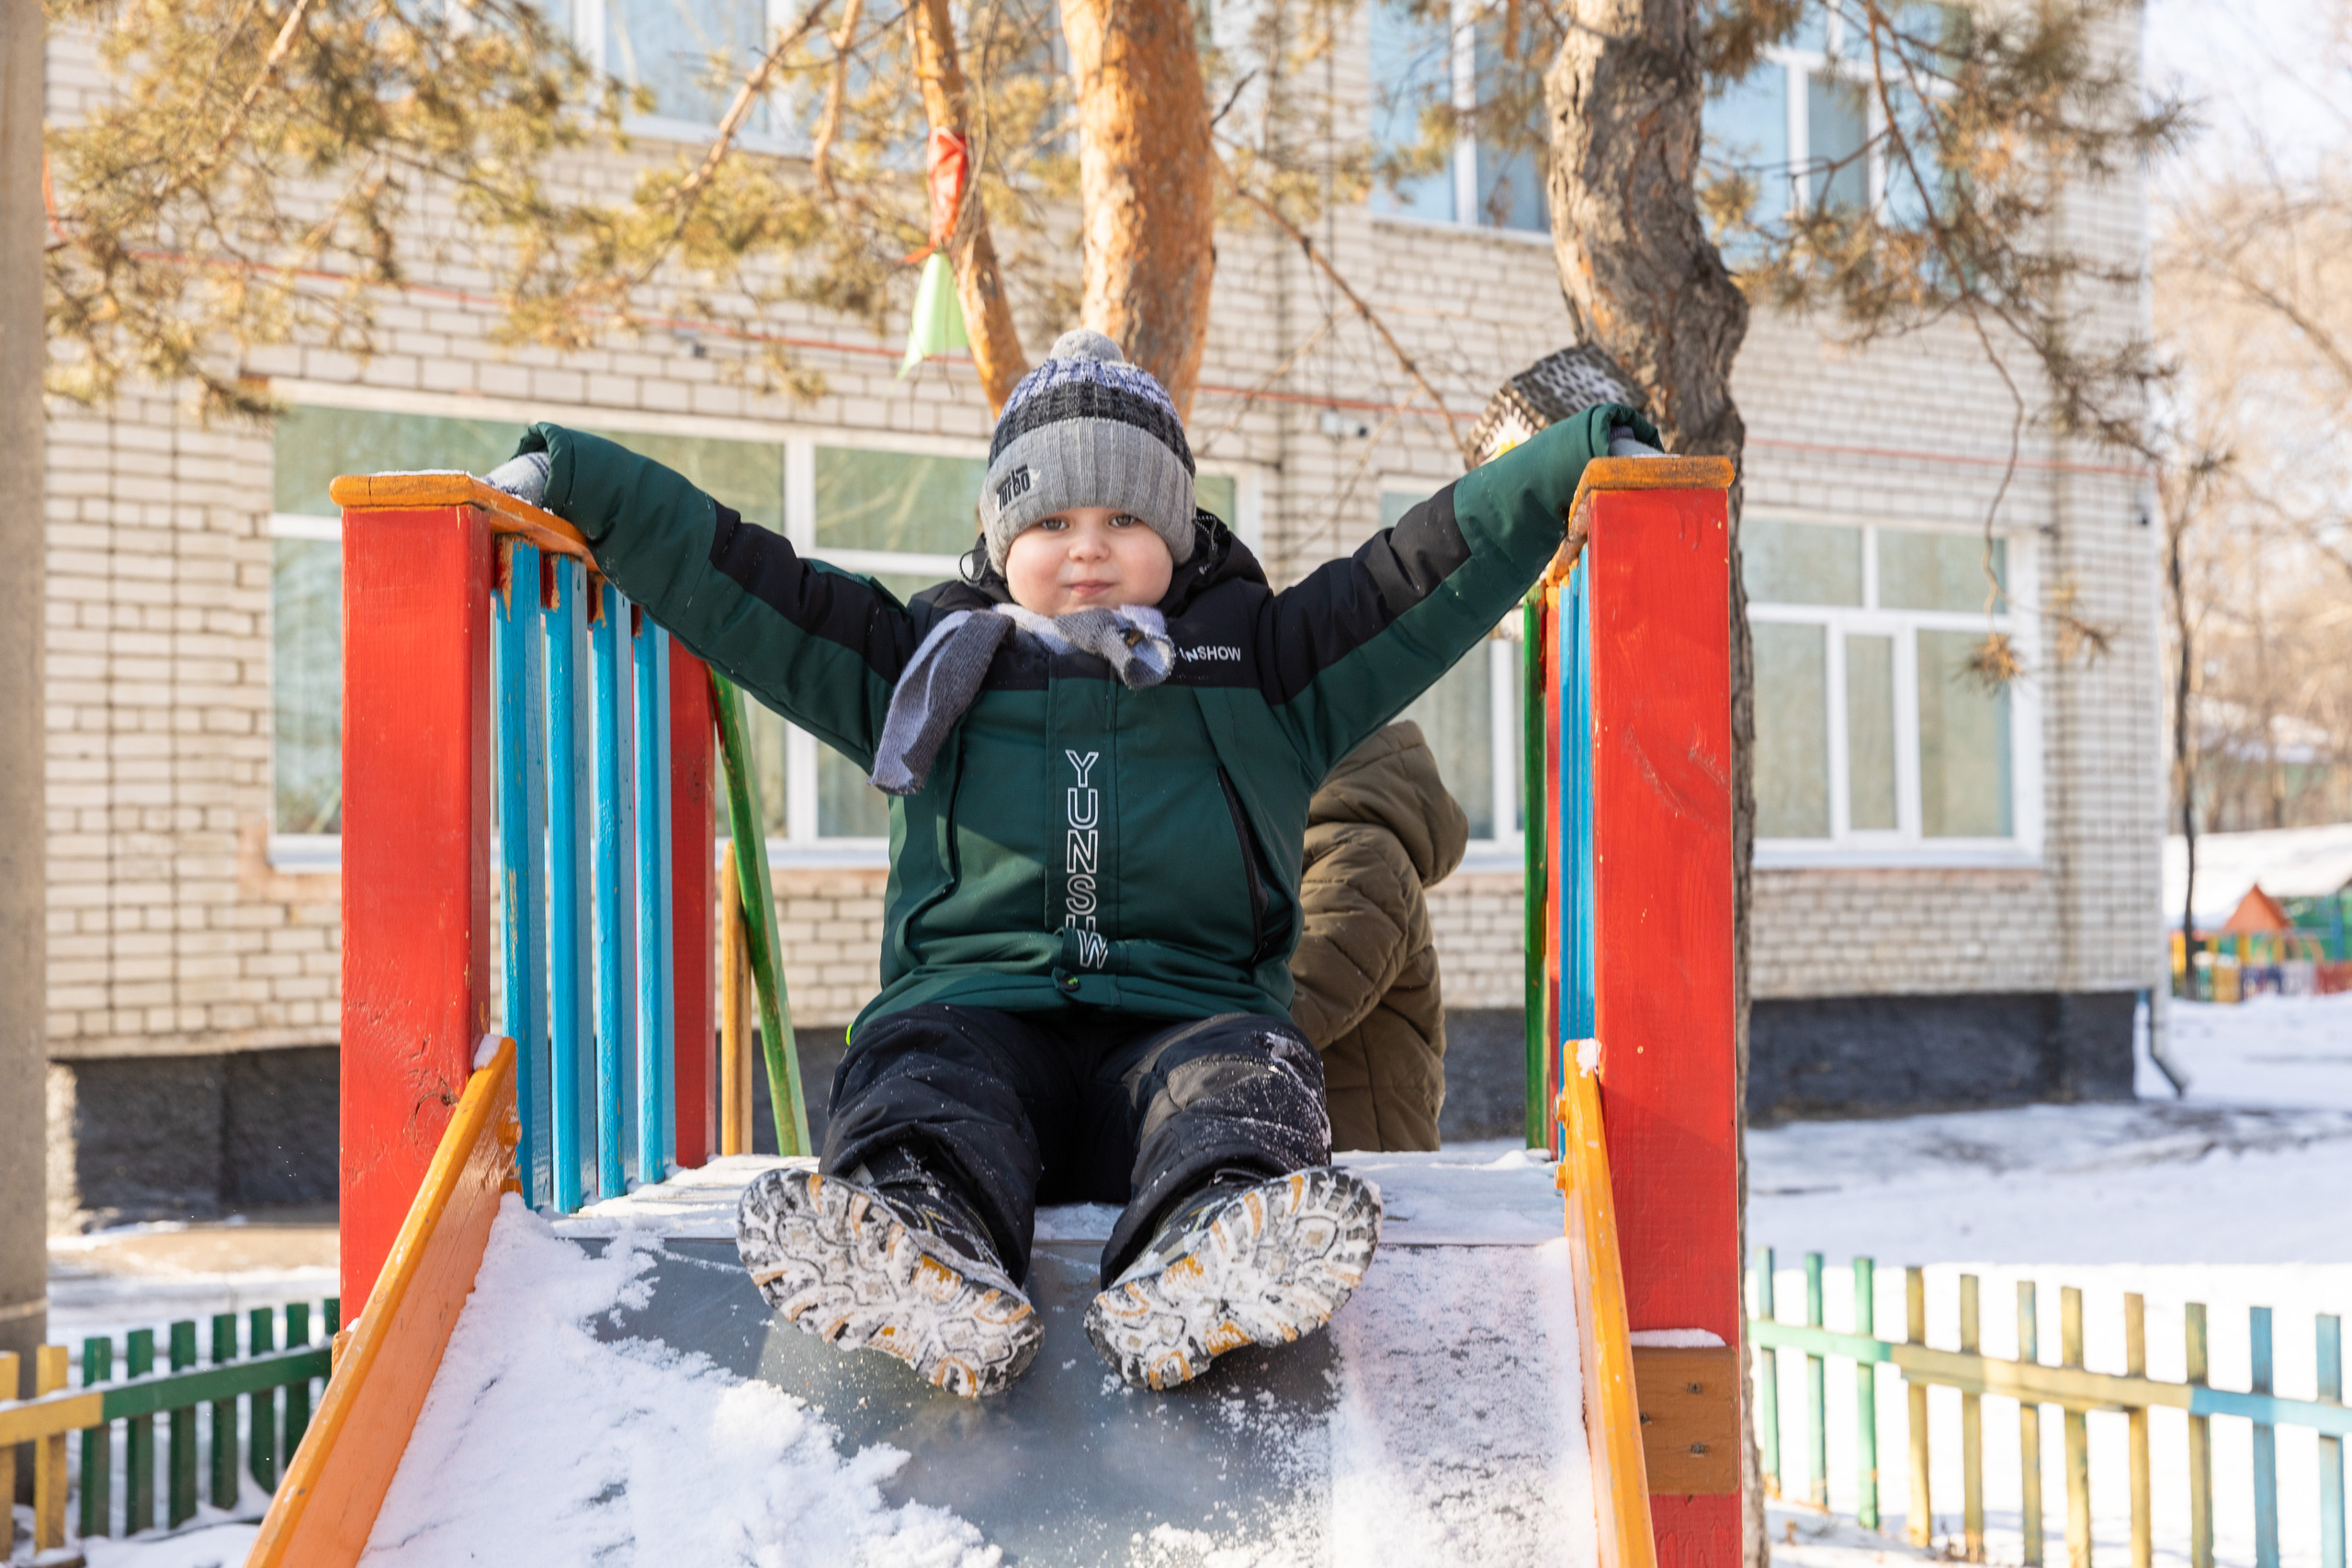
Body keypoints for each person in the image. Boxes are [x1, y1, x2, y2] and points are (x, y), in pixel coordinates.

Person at [484, 329, 1653, 1400]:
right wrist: (574, 478)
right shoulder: (927, 664)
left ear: (1177, 531)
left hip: (1189, 1022)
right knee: (918, 1078)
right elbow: (743, 584)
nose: (1086, 550)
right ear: (1001, 538)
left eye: (1121, 521)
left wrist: (1577, 460)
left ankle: (1216, 1249)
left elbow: (1422, 569)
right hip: (975, 1014)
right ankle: (914, 1241)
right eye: (1048, 524)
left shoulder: (1263, 661)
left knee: (1245, 1089)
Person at [1289, 721, 1467, 1152]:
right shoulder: (1325, 849)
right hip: (1352, 1161)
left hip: (1371, 1171)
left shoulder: (1363, 858)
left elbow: (1295, 1005)